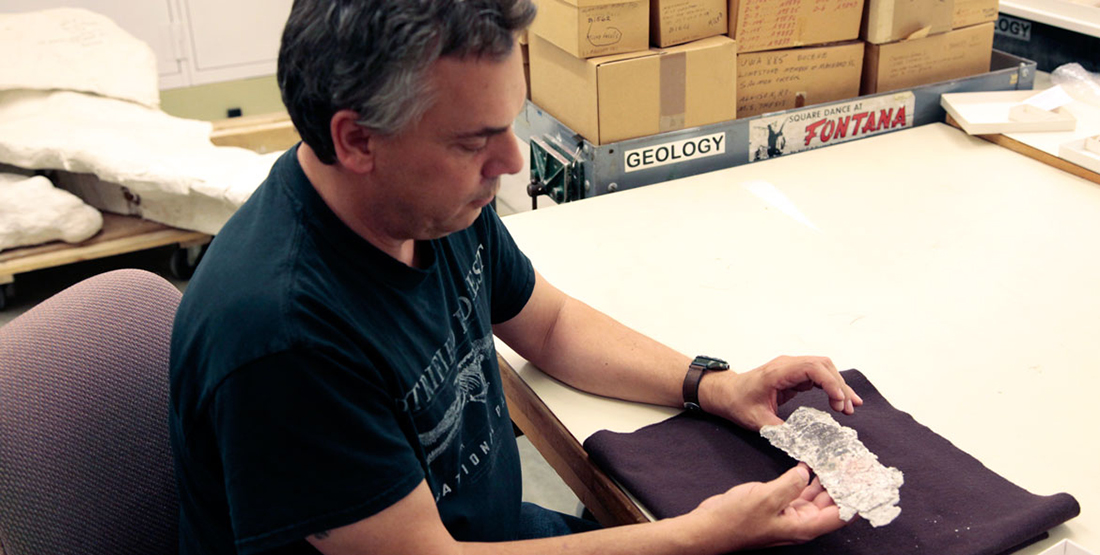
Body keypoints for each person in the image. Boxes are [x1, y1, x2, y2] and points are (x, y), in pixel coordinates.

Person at [168, 0, 864, 553]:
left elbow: (550, 323)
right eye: (475, 140)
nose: (513, 162)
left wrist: (715, 384)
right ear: (356, 140)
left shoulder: (429, 204)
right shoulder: (283, 336)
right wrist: (693, 536)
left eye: (508, 123)